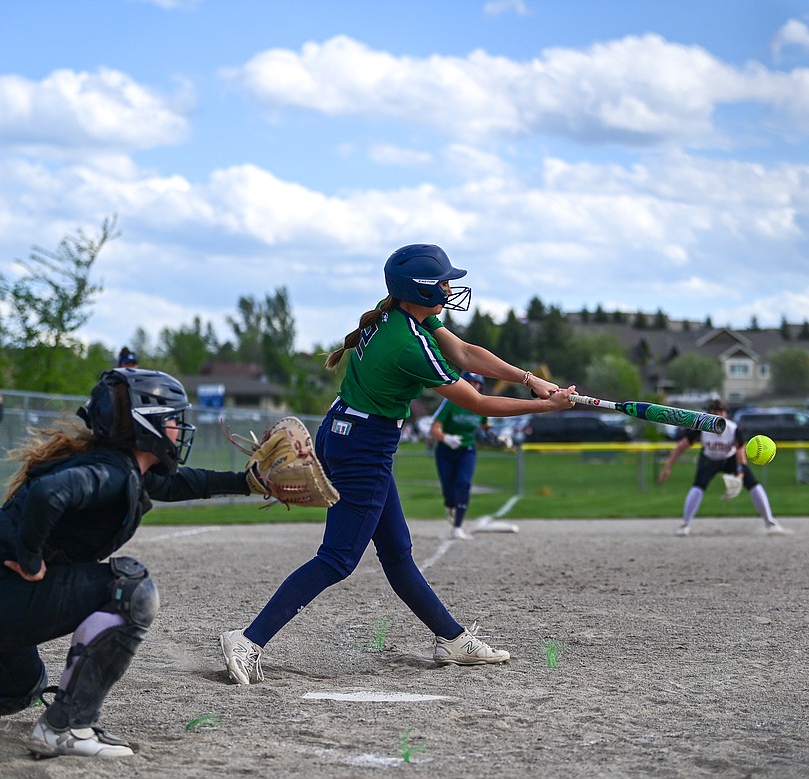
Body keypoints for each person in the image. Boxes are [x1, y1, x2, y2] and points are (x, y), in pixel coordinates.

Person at [220, 243, 576, 684]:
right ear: (420, 290)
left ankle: (453, 639)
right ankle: (249, 640)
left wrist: (531, 380)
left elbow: (464, 352)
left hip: (347, 433)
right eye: (443, 281)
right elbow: (478, 402)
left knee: (396, 551)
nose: (450, 287)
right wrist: (542, 409)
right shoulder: (409, 344)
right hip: (364, 447)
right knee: (337, 558)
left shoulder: (395, 314)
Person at [0, 368, 256, 758]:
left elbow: (180, 483)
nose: (179, 428)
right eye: (173, 419)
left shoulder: (117, 466)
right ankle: (67, 726)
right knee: (131, 588)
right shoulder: (108, 470)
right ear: (146, 424)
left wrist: (249, 482)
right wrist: (31, 559)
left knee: (19, 685)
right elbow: (47, 496)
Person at [656, 398, 789, 536]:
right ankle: (685, 524)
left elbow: (740, 456)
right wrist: (667, 468)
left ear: (726, 414)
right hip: (709, 460)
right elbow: (680, 447)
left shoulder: (733, 429)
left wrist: (740, 477)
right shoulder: (701, 428)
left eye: (720, 412)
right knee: (698, 486)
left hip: (729, 459)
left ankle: (770, 521)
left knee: (753, 484)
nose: (716, 417)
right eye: (712, 413)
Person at [430, 371, 492, 540]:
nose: (474, 386)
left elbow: (486, 427)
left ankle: (457, 526)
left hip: (467, 450)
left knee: (463, 484)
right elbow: (434, 429)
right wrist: (446, 438)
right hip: (445, 451)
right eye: (470, 382)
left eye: (477, 383)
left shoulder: (481, 405)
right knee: (449, 489)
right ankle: (450, 504)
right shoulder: (450, 402)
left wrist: (499, 437)